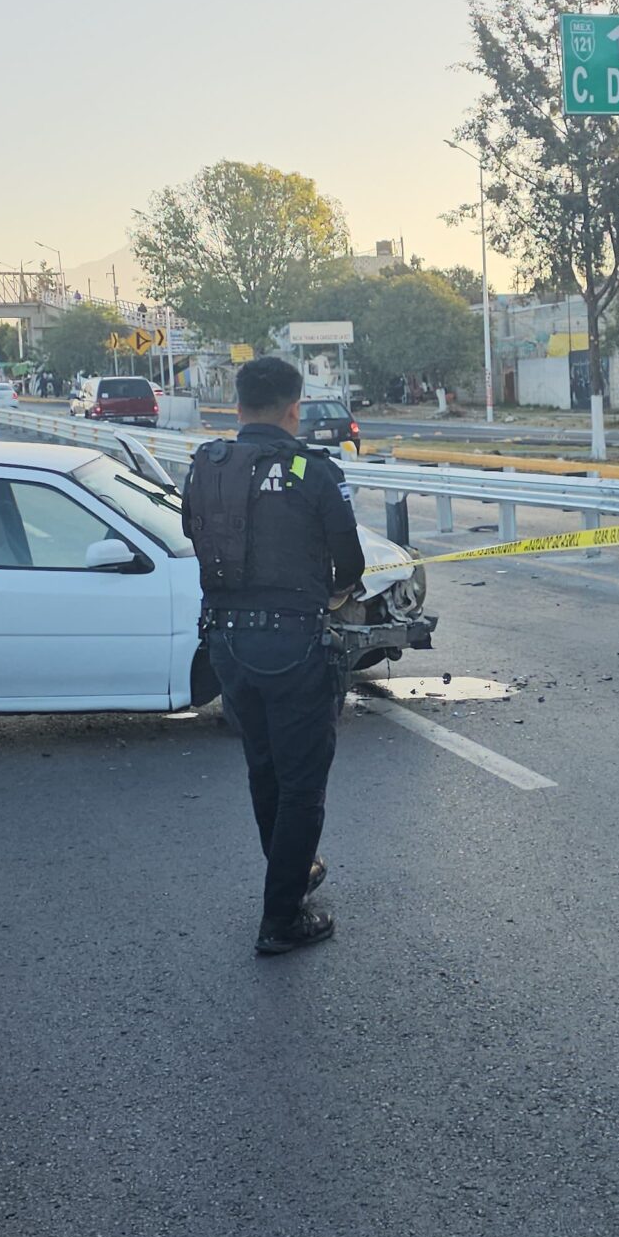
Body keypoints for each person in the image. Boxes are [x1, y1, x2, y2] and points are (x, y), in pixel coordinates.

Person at [182, 356, 366, 956]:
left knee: (264, 769)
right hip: (292, 649)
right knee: (303, 784)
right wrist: (328, 593)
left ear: (236, 407)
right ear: (295, 408)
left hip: (227, 644)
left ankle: (293, 875)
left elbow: (194, 534)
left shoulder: (205, 466)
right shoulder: (311, 471)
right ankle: (282, 918)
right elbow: (352, 567)